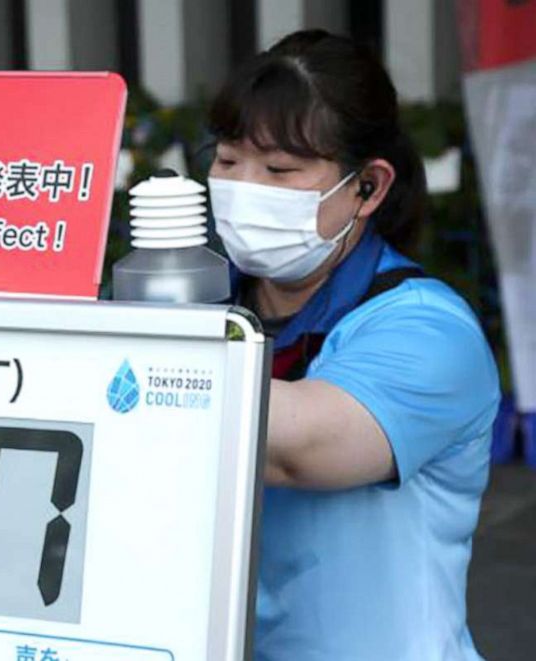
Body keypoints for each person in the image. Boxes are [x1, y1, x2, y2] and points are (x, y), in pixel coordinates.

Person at [205, 30, 500, 660]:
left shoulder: (428, 332)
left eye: (280, 170)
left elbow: (298, 448)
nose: (244, 188)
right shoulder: (207, 308)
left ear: (368, 187)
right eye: (228, 162)